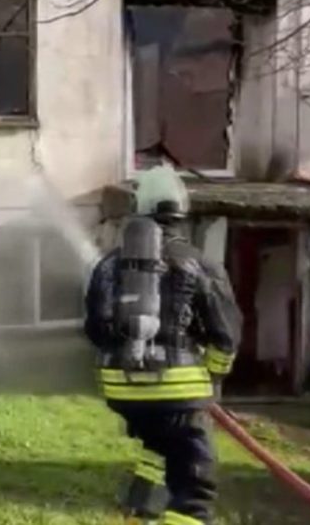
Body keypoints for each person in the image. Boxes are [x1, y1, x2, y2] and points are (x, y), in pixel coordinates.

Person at [84, 174, 242, 525]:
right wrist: (214, 378)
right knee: (195, 487)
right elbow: (226, 335)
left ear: (138, 209)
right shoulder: (199, 263)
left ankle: (138, 513)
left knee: (158, 449)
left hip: (121, 390)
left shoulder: (109, 264)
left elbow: (95, 330)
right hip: (179, 391)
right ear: (181, 214)